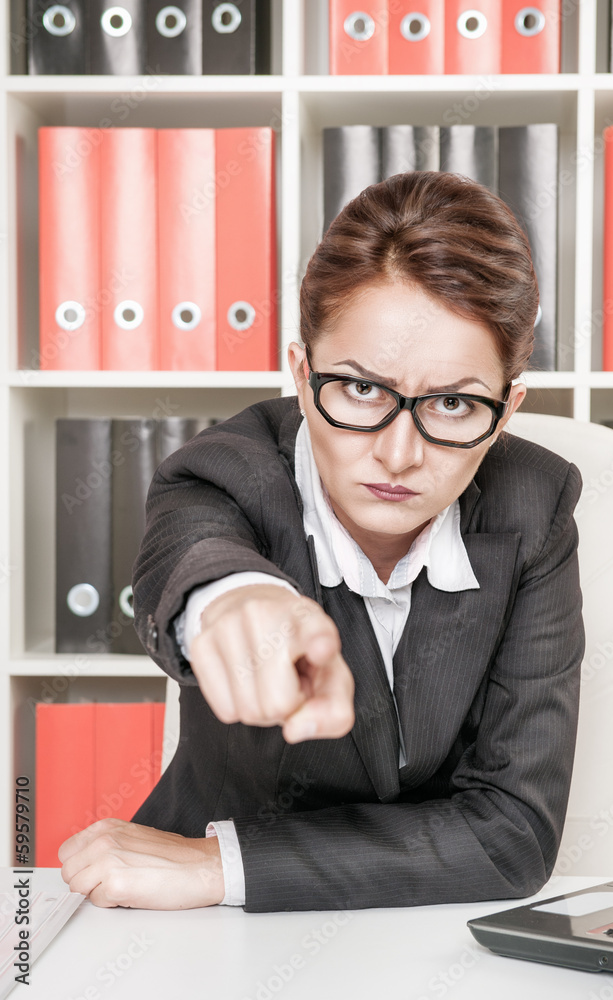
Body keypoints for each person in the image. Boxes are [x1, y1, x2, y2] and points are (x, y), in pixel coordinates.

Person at [58, 170, 585, 913]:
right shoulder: (219, 471)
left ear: (506, 410)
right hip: (192, 926)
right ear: (302, 376)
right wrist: (234, 601)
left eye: (453, 402)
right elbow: (195, 559)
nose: (399, 454)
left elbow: (513, 835)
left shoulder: (537, 504)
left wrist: (222, 865)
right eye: (361, 389)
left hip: (415, 922)